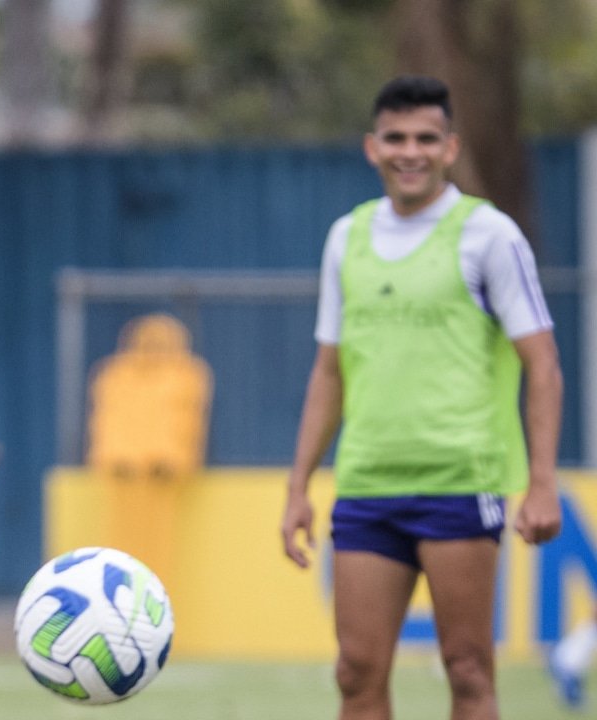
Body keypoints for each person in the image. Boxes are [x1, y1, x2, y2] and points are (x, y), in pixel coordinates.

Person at [280, 74, 564, 720]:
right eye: (396, 138)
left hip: (459, 483)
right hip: (367, 484)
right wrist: (298, 485)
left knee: (466, 671)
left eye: (426, 139)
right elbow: (329, 372)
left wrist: (541, 481)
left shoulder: (489, 235)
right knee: (355, 673)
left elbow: (542, 363)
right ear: (371, 147)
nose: (411, 151)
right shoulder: (344, 239)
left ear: (450, 147)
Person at [549, 607, 597, 709]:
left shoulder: (587, 626)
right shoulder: (590, 629)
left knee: (576, 684)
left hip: (566, 660)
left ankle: (573, 699)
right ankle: (572, 700)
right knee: (571, 688)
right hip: (567, 662)